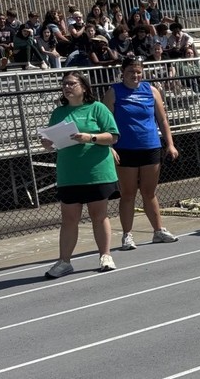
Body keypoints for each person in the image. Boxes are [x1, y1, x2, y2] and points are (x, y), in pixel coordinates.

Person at [40, 71, 121, 277]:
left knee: (98, 215)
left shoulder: (97, 108)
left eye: (71, 84)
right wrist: (47, 143)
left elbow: (113, 136)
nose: (67, 87)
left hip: (96, 172)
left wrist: (90, 137)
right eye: (64, 84)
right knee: (69, 218)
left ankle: (105, 255)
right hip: (69, 173)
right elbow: (53, 142)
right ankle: (64, 261)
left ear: (83, 87)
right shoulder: (59, 112)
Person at [103, 55, 180, 251]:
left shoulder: (151, 90)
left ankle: (158, 230)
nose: (135, 76)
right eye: (131, 72)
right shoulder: (114, 92)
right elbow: (105, 123)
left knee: (149, 192)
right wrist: (109, 147)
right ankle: (127, 235)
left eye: (138, 72)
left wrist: (170, 144)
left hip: (150, 146)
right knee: (128, 193)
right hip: (125, 149)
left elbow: (162, 120)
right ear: (123, 73)